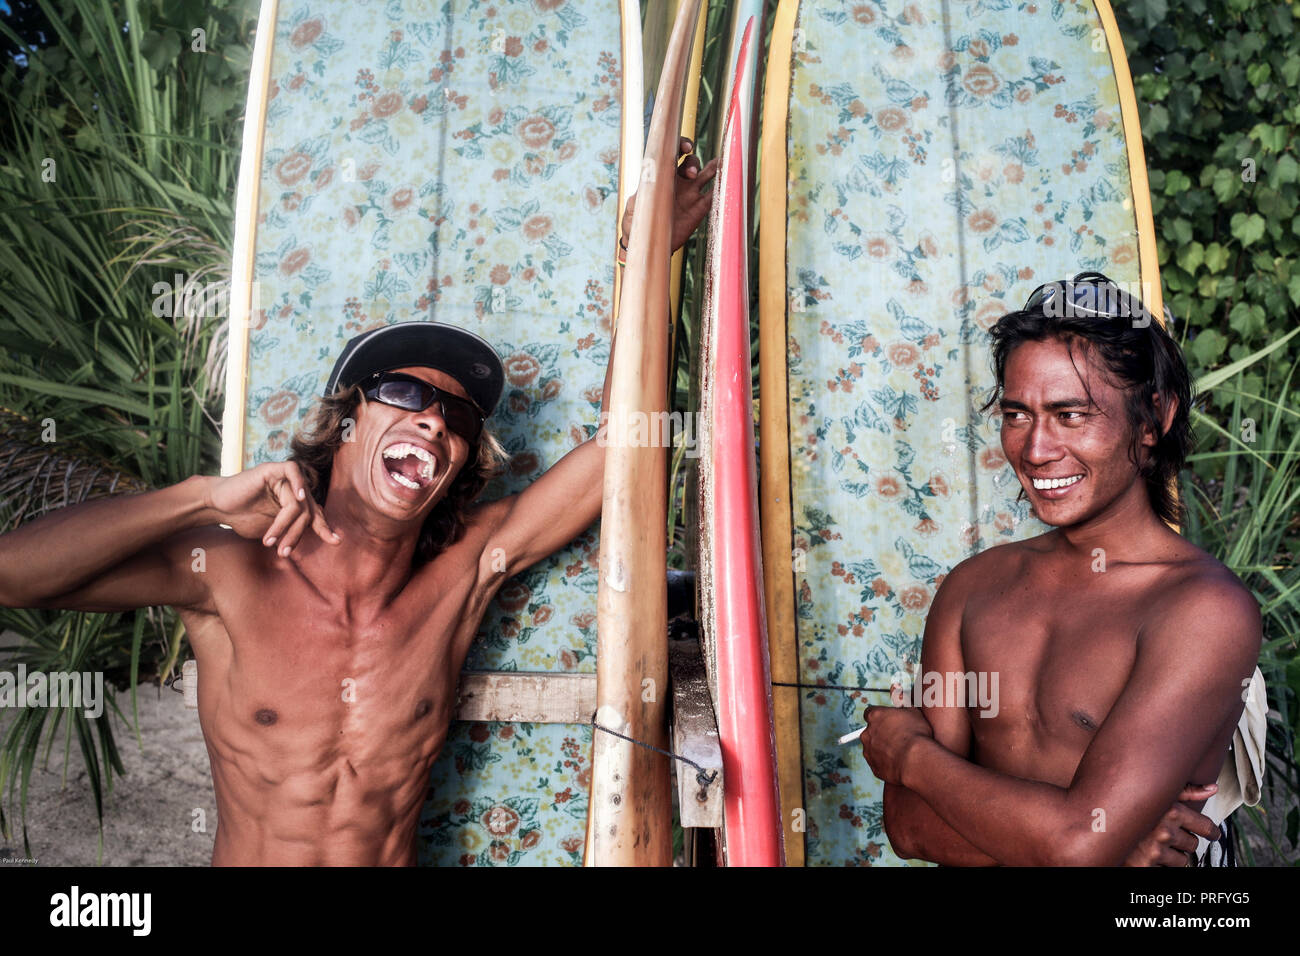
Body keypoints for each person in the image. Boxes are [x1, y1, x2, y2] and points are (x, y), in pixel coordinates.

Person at [0, 140, 717, 866]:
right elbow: (13, 575)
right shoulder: (227, 568)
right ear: (344, 425)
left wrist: (648, 254)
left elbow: (630, 446)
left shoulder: (468, 570)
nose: (435, 421)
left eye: (459, 418)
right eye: (406, 395)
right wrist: (197, 498)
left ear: (461, 463)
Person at [860, 273, 1262, 866]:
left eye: (1071, 415)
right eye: (1018, 414)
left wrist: (912, 758)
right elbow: (910, 828)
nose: (1036, 448)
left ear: (1154, 418)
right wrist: (1092, 850)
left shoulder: (1202, 610)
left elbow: (1076, 843)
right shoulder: (972, 589)